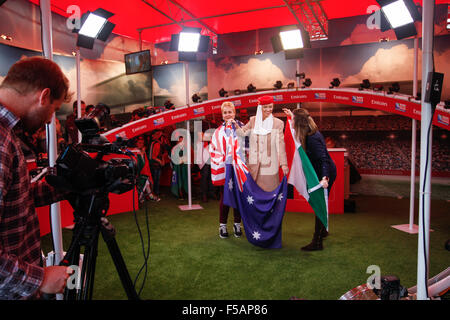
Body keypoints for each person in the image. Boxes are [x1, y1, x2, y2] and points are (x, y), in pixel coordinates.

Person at [0, 56, 73, 299]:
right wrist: (40, 277)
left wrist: (67, 183)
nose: (50, 119)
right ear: (43, 96)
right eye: (53, 109)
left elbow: (16, 198)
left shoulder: (7, 135)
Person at [283, 107, 337, 251]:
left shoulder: (312, 137)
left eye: (293, 119)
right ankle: (323, 231)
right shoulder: (305, 132)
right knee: (320, 204)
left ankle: (317, 242)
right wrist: (290, 115)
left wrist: (324, 178)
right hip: (319, 172)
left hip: (323, 174)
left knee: (319, 204)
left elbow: (324, 159)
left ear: (299, 122)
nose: (292, 122)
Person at [234, 95, 289, 192]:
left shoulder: (278, 123)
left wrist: (284, 164)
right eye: (265, 107)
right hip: (253, 165)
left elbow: (280, 144)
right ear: (260, 107)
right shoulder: (253, 120)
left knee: (268, 194)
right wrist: (235, 125)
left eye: (270, 106)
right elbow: (242, 133)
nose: (268, 109)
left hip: (269, 166)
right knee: (253, 196)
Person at [210, 101, 243, 239]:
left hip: (239, 168)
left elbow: (248, 144)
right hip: (226, 169)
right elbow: (214, 149)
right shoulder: (218, 132)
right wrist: (224, 160)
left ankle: (237, 224)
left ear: (234, 113)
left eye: (230, 112)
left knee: (239, 197)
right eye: (225, 112)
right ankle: (222, 226)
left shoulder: (241, 127)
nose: (228, 114)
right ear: (222, 115)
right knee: (225, 197)